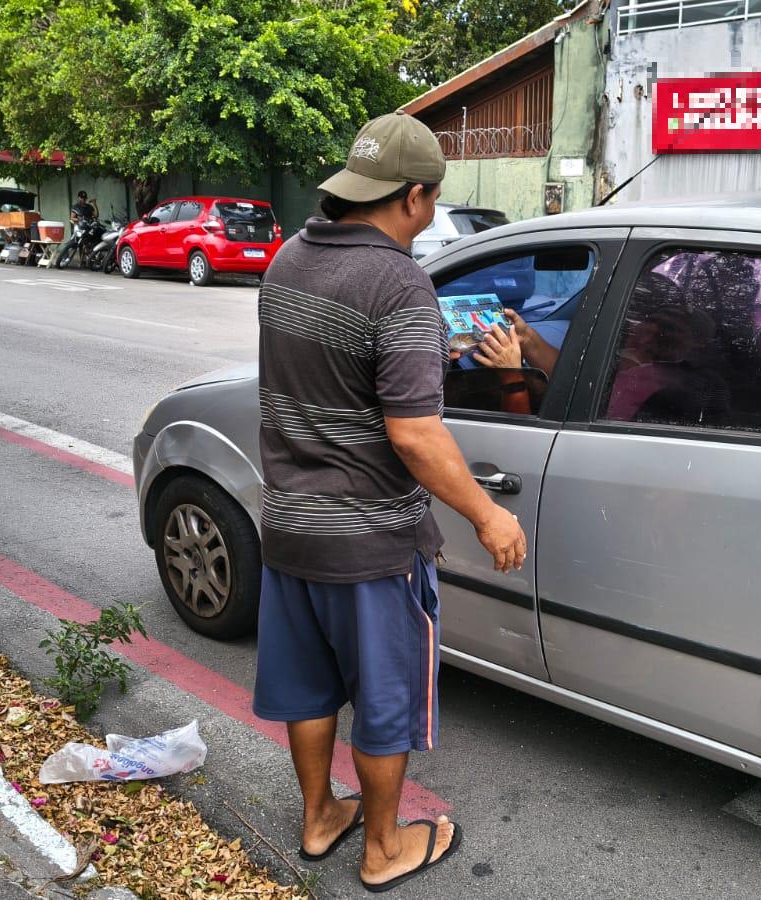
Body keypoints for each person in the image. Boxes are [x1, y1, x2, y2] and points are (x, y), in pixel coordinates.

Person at [253, 111, 525, 894]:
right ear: (414, 196)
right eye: (433, 199)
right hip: (370, 544)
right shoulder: (400, 281)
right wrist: (487, 512)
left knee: (309, 691)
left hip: (290, 531)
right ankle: (382, 848)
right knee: (385, 701)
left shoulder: (288, 261)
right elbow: (413, 434)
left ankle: (318, 819)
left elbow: (322, 372)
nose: (432, 212)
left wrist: (411, 353)